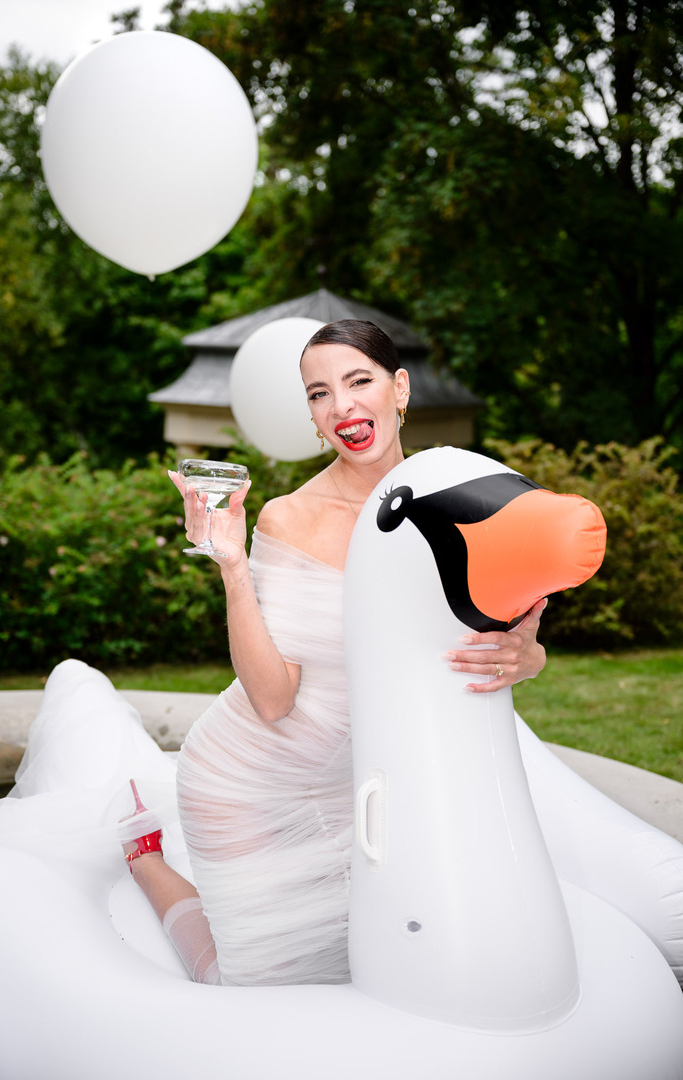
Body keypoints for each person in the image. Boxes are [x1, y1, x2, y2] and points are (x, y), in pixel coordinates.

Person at [125, 319, 547, 987]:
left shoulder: (463, 502)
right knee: (254, 985)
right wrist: (232, 564)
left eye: (358, 381)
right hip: (248, 782)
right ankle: (146, 860)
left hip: (364, 787)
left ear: (399, 388)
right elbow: (273, 700)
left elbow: (503, 644)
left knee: (371, 967)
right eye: (319, 394)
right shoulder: (290, 517)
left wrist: (528, 657)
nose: (342, 406)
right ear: (313, 417)